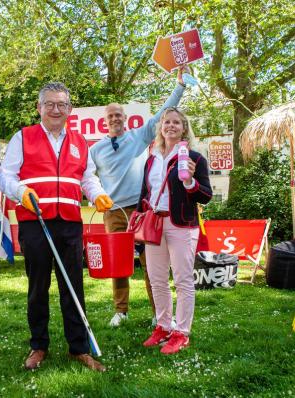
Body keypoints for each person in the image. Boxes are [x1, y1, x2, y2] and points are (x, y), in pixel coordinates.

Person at [0, 82, 113, 372]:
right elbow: (6, 176)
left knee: (72, 286)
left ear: (70, 109)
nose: (55, 109)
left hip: (70, 223)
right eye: (49, 104)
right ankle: (39, 345)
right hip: (34, 221)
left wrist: (96, 193)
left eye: (61, 104)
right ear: (39, 107)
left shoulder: (79, 141)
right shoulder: (22, 137)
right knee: (38, 286)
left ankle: (79, 348)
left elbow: (87, 177)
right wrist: (20, 192)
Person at [89, 66, 189, 327]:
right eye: (110, 116)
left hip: (141, 210)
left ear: (125, 117)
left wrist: (180, 86)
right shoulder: (96, 149)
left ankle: (159, 311)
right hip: (113, 212)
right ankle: (121, 311)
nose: (114, 119)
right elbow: (87, 176)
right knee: (118, 264)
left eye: (118, 115)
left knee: (151, 262)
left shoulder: (139, 136)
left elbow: (163, 114)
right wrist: (97, 195)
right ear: (105, 121)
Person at [138, 107, 212, 355]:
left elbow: (206, 196)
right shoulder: (152, 158)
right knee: (157, 279)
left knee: (182, 280)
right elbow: (145, 192)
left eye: (176, 123)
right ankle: (163, 326)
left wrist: (190, 181)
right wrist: (140, 215)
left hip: (181, 225)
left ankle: (181, 332)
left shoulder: (194, 158)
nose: (170, 126)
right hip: (155, 223)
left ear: (184, 128)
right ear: (161, 127)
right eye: (166, 122)